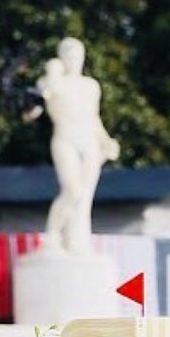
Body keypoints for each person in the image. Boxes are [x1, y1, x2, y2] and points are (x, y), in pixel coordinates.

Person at [33, 37, 120, 255]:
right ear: (61, 58)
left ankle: (77, 241)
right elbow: (34, 110)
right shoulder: (51, 82)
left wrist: (105, 140)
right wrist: (52, 74)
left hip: (89, 141)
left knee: (85, 197)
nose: (74, 60)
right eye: (69, 55)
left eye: (77, 55)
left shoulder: (90, 86)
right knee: (73, 190)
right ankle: (52, 234)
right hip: (65, 139)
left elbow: (93, 118)